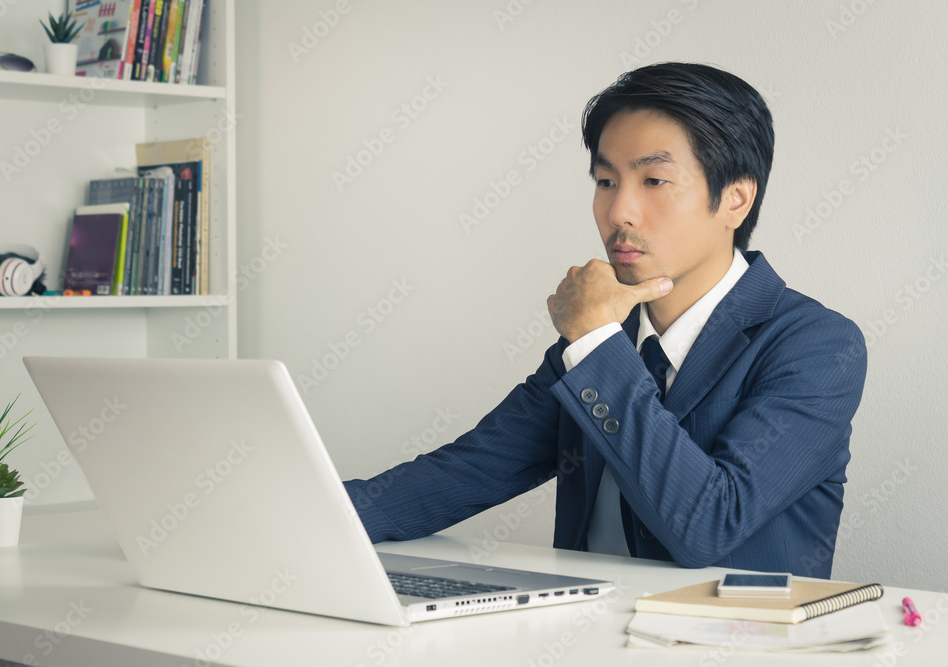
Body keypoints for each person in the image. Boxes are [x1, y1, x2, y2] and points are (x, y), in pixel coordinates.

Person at [343, 62, 866, 578]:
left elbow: (708, 525)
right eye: (606, 180)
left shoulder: (817, 345)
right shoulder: (607, 336)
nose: (619, 211)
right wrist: (296, 511)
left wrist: (593, 340)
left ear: (736, 198)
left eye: (654, 180)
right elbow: (470, 471)